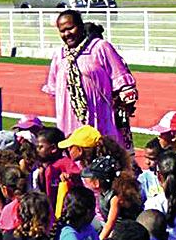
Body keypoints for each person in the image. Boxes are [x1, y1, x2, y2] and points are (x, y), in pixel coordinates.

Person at [43, 11, 136, 144]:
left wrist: (124, 104)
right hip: (69, 121)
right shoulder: (59, 55)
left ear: (80, 26)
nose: (67, 33)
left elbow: (121, 80)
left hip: (98, 118)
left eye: (70, 28)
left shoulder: (100, 48)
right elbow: (53, 88)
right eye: (62, 30)